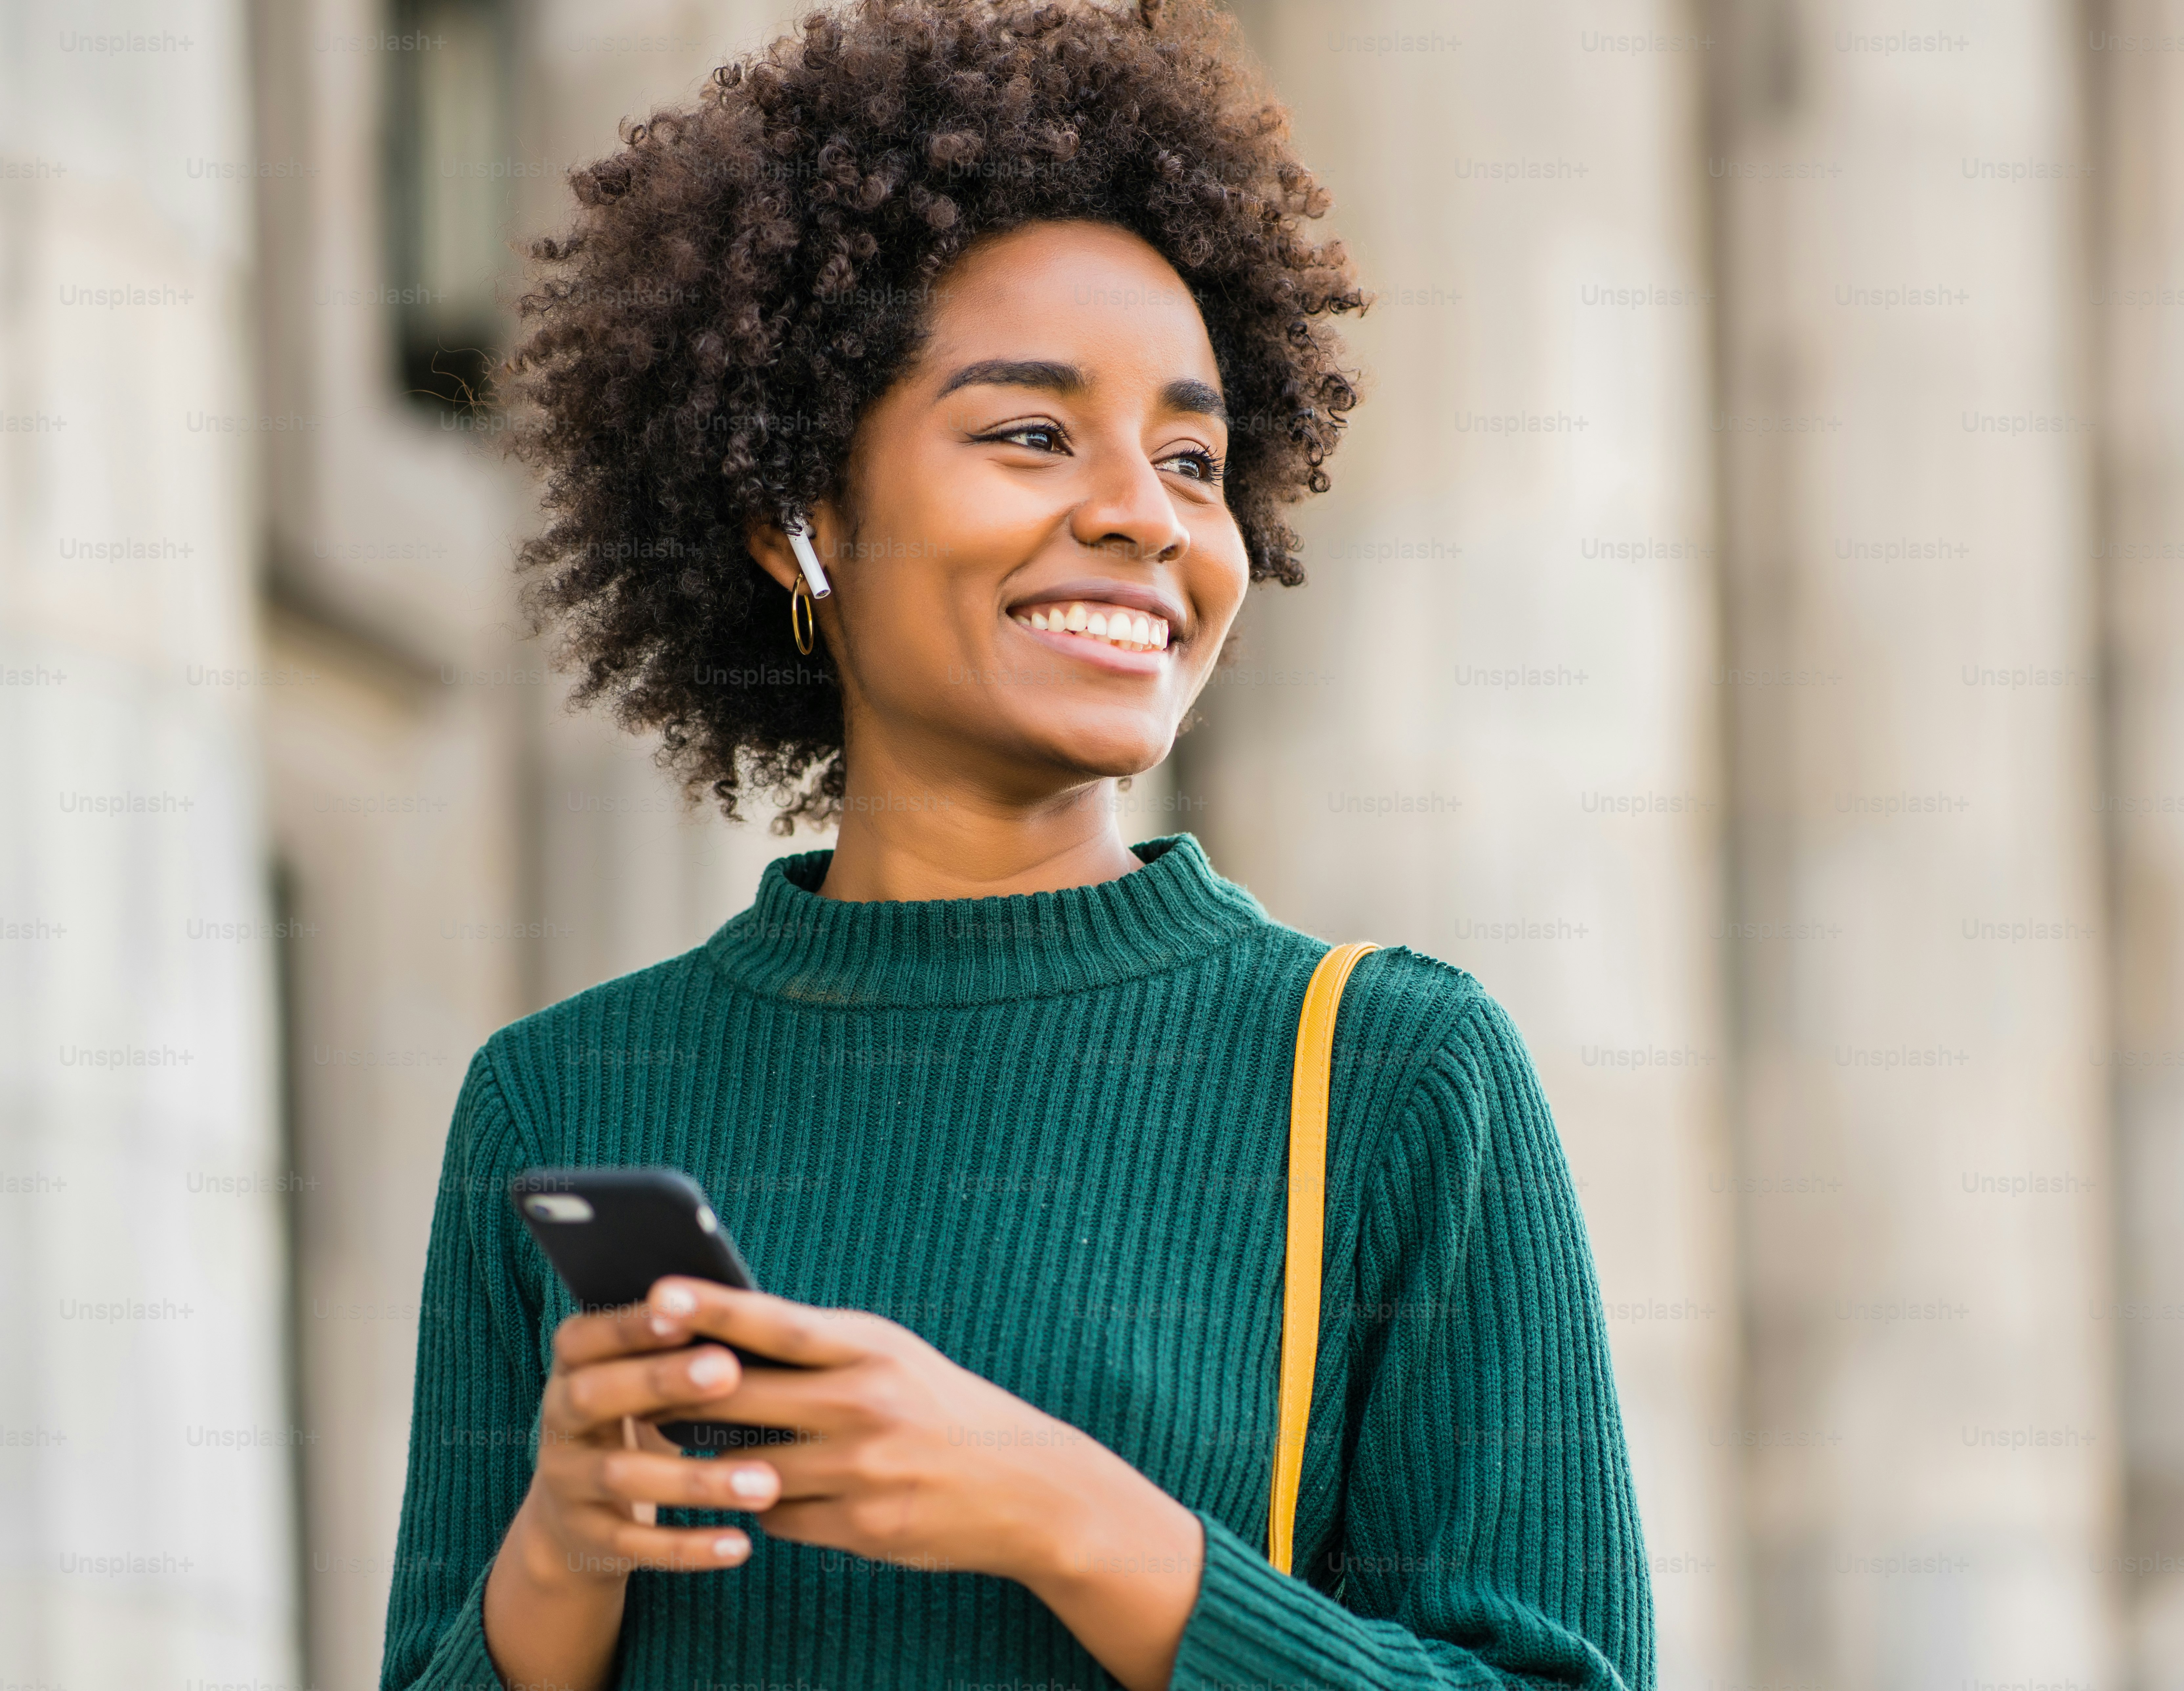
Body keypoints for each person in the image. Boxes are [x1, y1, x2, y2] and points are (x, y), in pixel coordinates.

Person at [380, 3, 1651, 1687]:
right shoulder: (560, 1097)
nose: (1144, 512)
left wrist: (1066, 1514)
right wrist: (556, 1558)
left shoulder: (1392, 1077)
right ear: (797, 517)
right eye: (1033, 433)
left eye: (1191, 458)